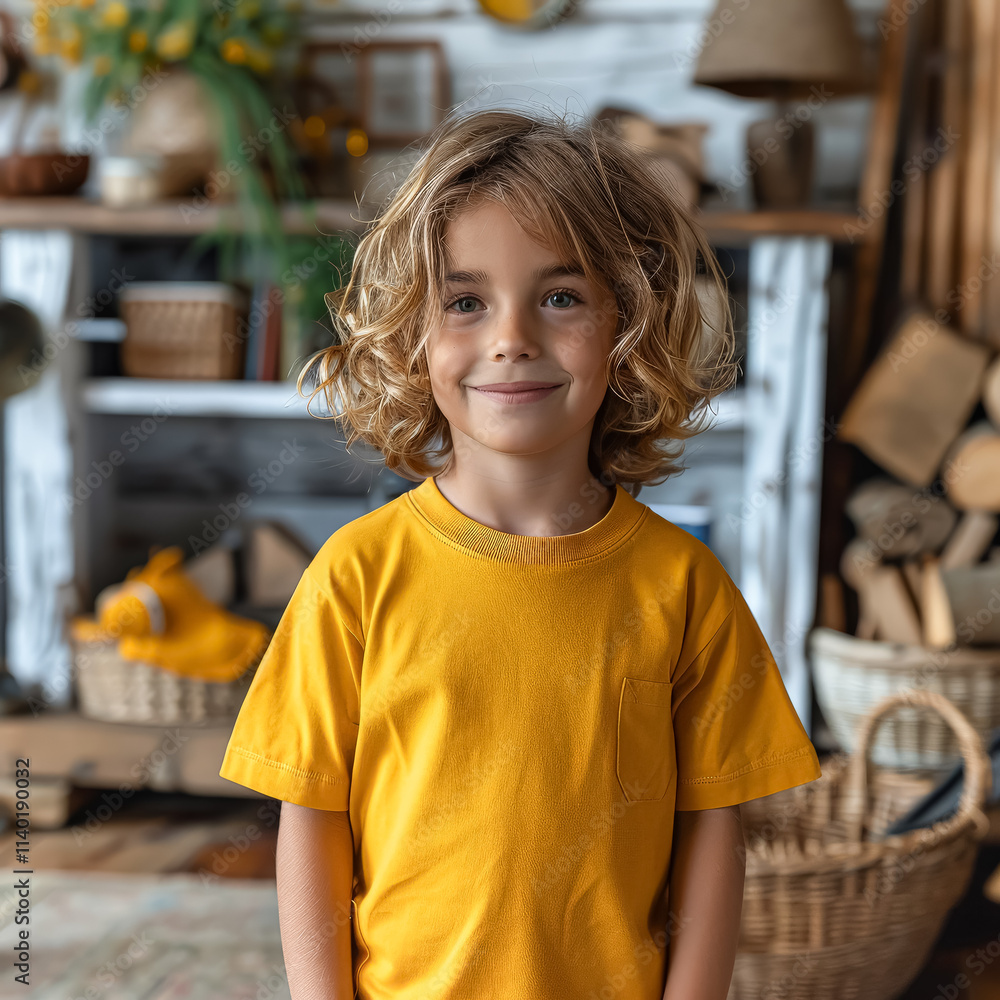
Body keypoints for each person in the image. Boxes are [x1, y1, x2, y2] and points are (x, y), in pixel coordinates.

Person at [218, 107, 822, 1000]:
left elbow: (712, 831)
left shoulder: (685, 586)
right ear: (413, 337)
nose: (511, 337)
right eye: (466, 302)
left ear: (629, 325)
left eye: (561, 297)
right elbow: (313, 819)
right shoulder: (354, 576)